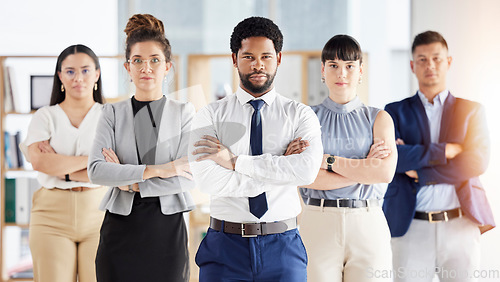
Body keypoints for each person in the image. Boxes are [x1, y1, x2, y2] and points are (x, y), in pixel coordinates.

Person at [189, 16, 323, 281]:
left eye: (266, 56)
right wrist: (280, 169)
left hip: (283, 246)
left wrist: (235, 162)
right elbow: (206, 180)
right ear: (234, 58)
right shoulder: (209, 116)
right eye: (248, 56)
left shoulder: (300, 115)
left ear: (279, 58)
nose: (258, 65)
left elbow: (306, 172)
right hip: (224, 248)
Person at [87, 14, 195, 282]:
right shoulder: (111, 113)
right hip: (119, 230)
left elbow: (187, 176)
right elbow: (96, 171)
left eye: (155, 60)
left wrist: (129, 180)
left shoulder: (185, 112)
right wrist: (161, 169)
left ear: (167, 66)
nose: (146, 68)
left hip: (166, 232)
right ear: (128, 67)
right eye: (138, 61)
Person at [383, 30, 494, 282]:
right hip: (411, 226)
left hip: (460, 224)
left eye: (436, 58)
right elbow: (395, 158)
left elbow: (477, 162)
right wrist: (445, 151)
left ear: (448, 62)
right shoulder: (394, 111)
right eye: (422, 59)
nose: (429, 65)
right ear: (412, 65)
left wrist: (420, 172)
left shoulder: (471, 111)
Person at [298, 35, 397, 282]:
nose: (341, 73)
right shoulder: (306, 118)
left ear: (360, 70)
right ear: (323, 70)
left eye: (349, 66)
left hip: (368, 222)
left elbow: (383, 173)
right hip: (318, 222)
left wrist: (328, 162)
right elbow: (304, 176)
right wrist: (364, 170)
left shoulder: (379, 118)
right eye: (333, 65)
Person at [19, 44, 106, 282]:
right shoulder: (45, 116)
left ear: (97, 74)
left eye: (86, 70)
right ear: (60, 76)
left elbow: (113, 170)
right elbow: (39, 161)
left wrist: (62, 168)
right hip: (51, 215)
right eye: (69, 71)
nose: (78, 77)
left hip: (99, 213)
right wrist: (93, 162)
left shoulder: (110, 116)